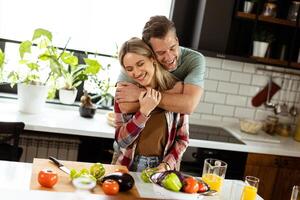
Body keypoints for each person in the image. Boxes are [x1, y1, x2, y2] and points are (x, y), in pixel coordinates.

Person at [114, 37, 189, 172]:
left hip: (162, 169)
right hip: (128, 166)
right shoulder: (124, 93)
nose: (136, 72)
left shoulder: (174, 90)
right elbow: (121, 141)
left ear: (152, 59)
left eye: (140, 63)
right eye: (129, 68)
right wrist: (143, 113)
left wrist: (166, 165)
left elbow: (182, 139)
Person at [115, 15, 206, 115]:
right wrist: (174, 99)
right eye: (161, 52)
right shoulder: (136, 60)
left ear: (177, 40)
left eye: (172, 48)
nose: (169, 57)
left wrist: (141, 94)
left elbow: (188, 106)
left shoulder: (194, 59)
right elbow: (125, 107)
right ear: (150, 52)